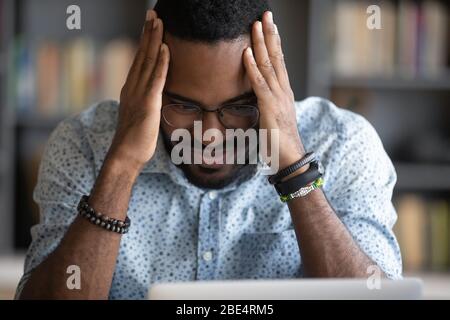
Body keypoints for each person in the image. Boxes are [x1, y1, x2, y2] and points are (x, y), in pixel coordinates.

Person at [16, 0, 402, 299]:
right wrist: (121, 166)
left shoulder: (341, 143)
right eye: (184, 106)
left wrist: (293, 167)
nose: (211, 135)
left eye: (238, 106)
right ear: (146, 84)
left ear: (275, 82)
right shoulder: (84, 144)